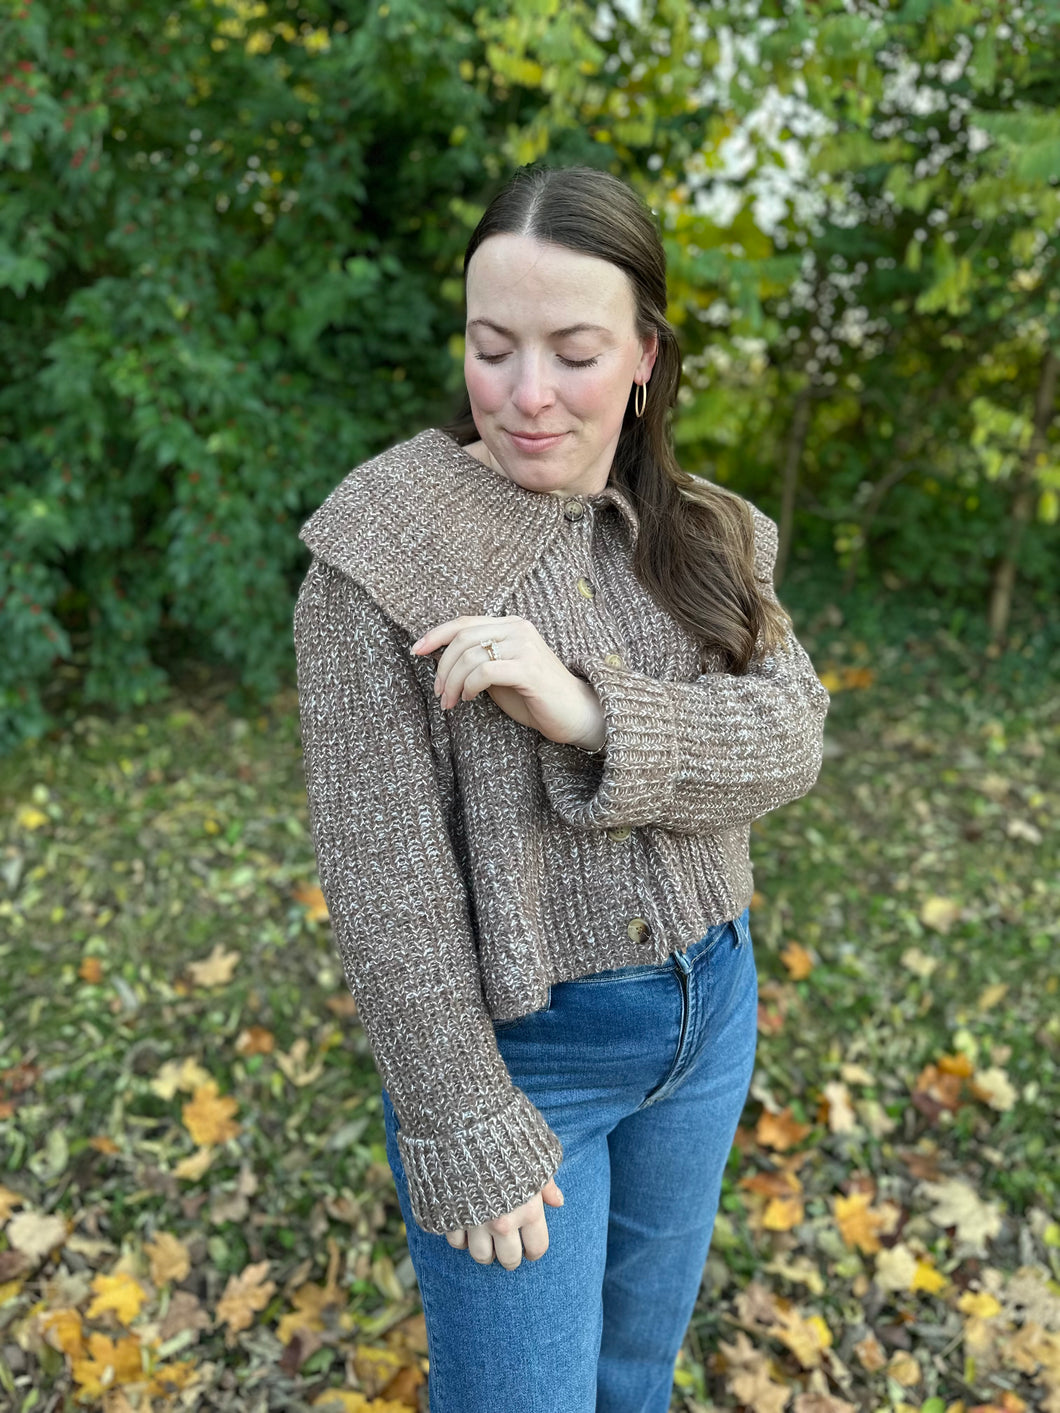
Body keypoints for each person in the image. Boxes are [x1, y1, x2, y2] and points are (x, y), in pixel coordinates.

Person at [293, 163, 830, 1413]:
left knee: (633, 1378)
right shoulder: (377, 554)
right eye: (493, 348)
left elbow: (789, 736)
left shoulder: (705, 533)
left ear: (645, 355)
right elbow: (383, 878)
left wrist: (590, 714)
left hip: (711, 1011)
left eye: (575, 352)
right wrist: (458, 1117)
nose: (526, 395)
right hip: (527, 1059)